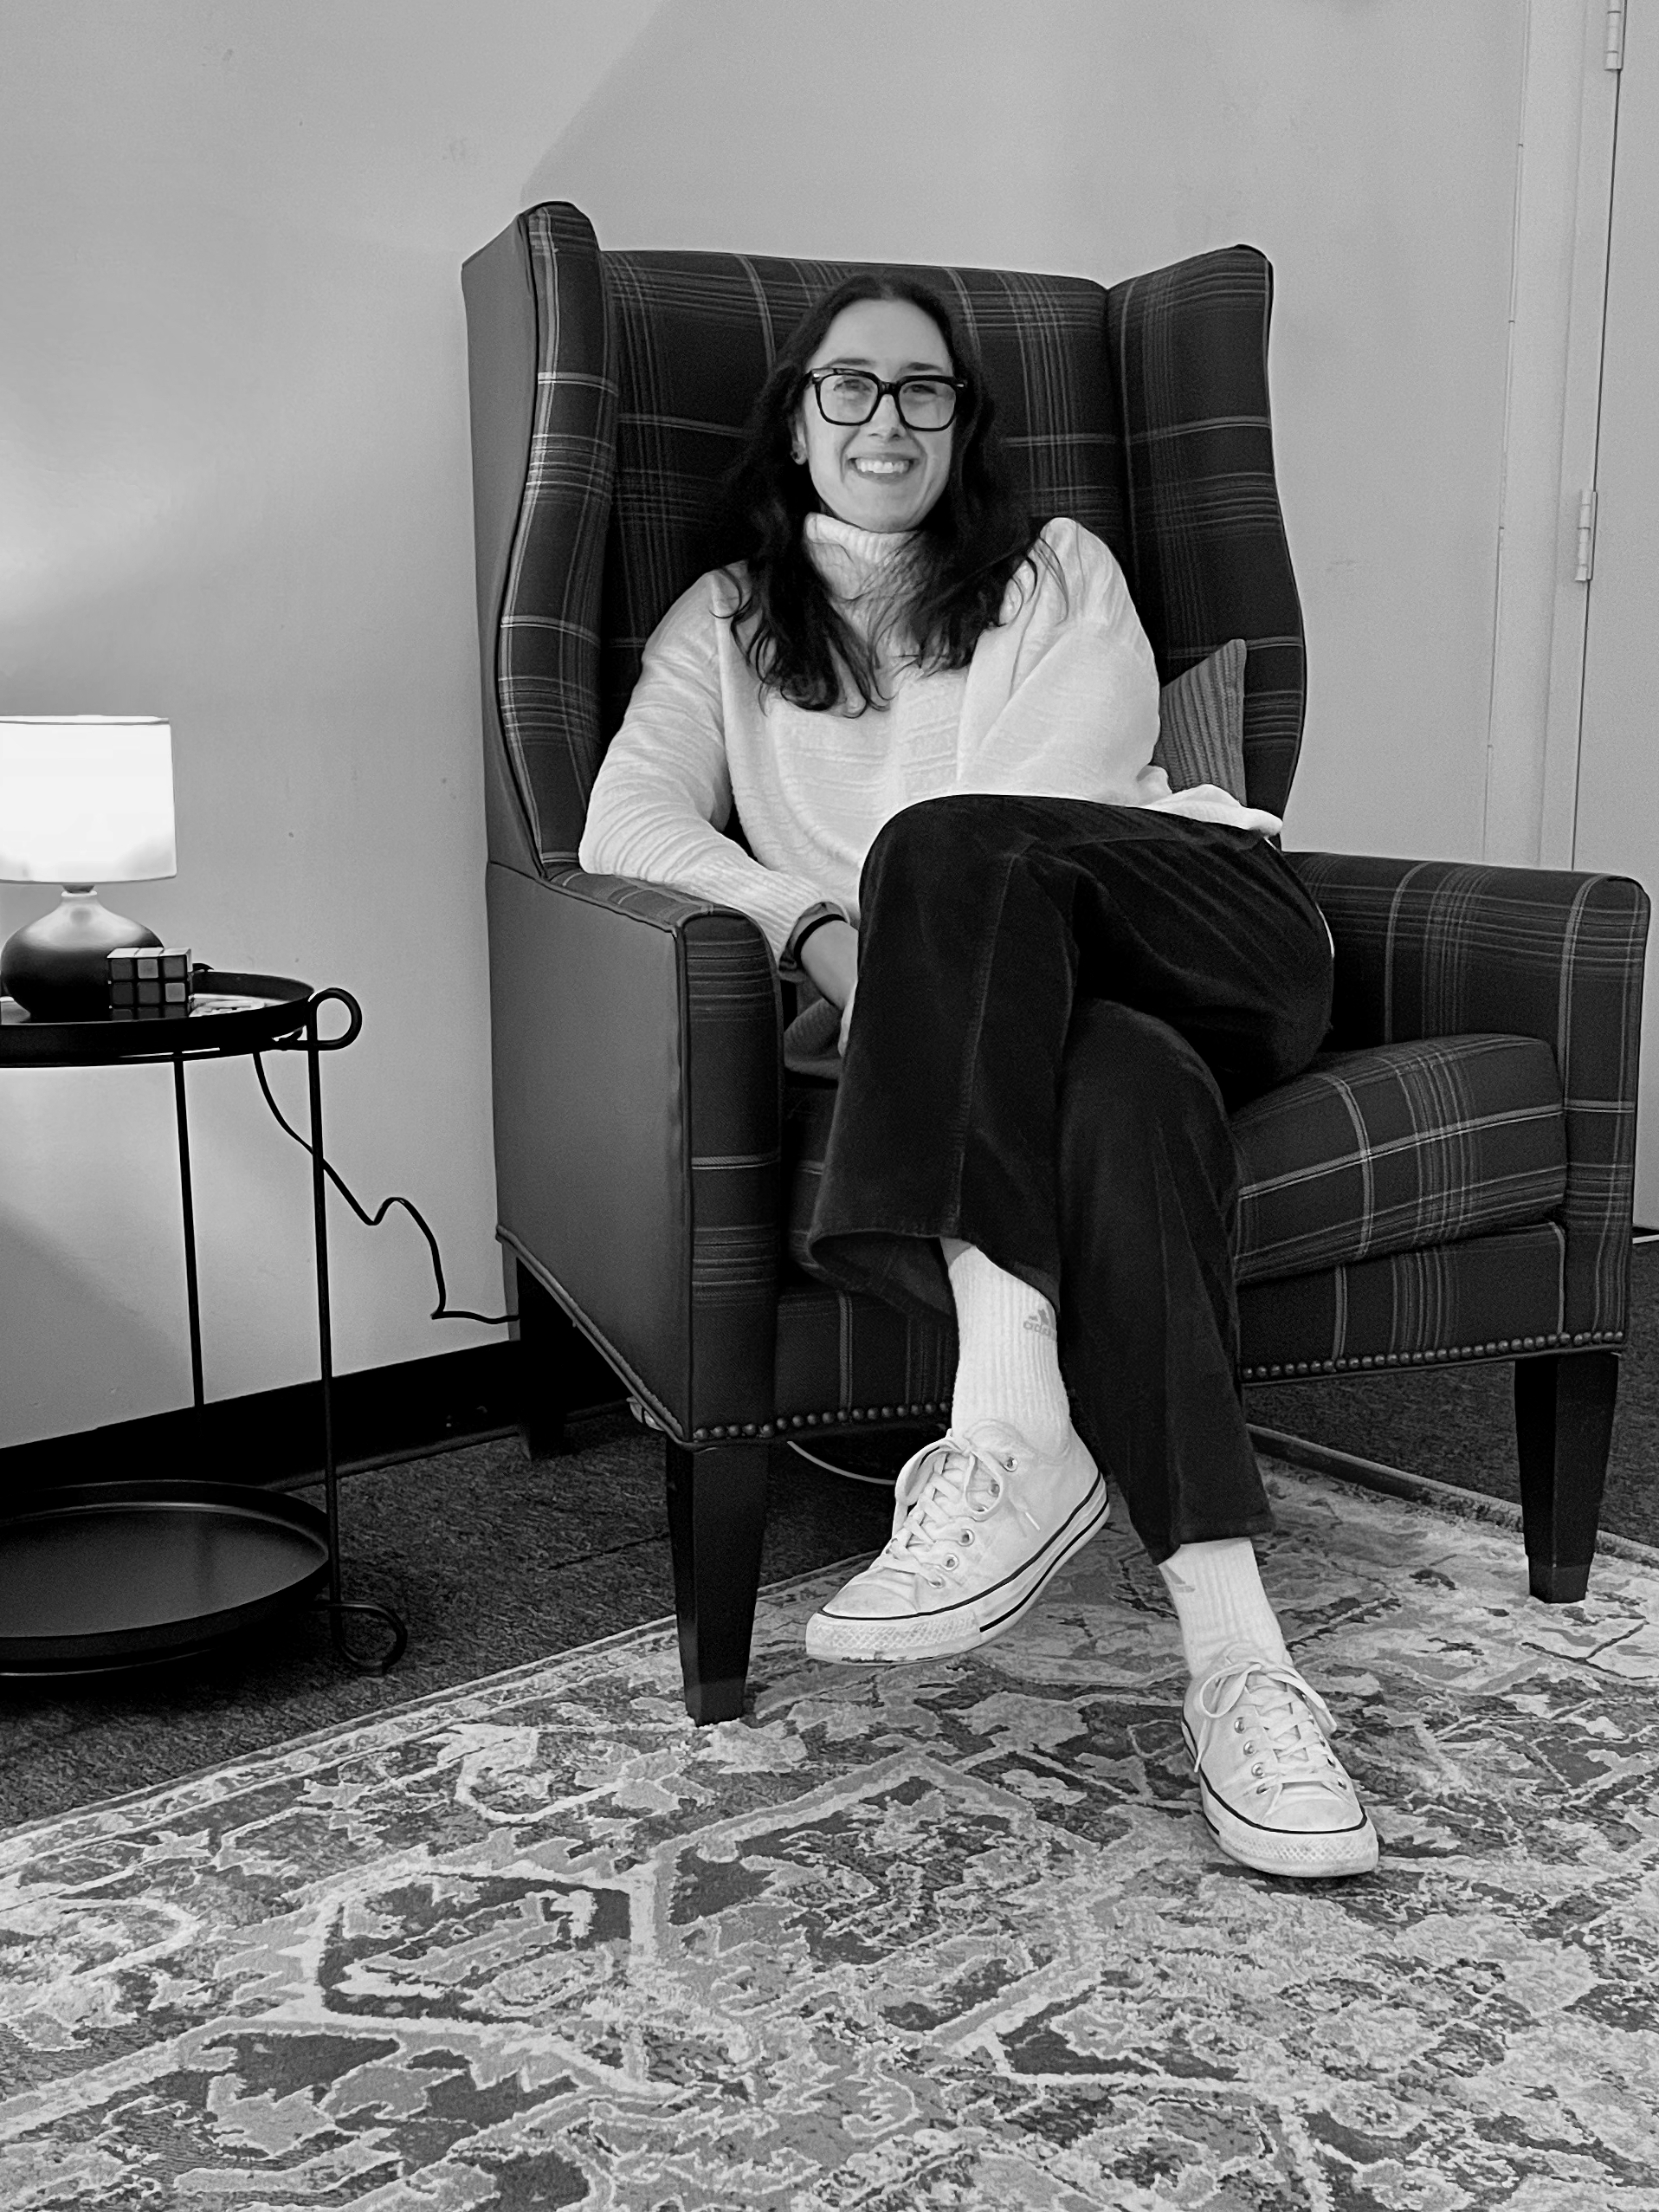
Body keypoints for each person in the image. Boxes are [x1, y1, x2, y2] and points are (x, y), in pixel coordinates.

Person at [579, 274, 1378, 1881]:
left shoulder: (1052, 569)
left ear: (965, 424)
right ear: (797, 415)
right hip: (1073, 1033)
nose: (887, 420)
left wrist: (895, 928)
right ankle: (1240, 1662)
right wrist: (809, 927)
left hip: (1211, 934)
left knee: (953, 850)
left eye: (924, 392)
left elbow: (1054, 800)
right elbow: (625, 827)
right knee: (1115, 1092)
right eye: (852, 387)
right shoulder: (725, 622)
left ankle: (1006, 1426)